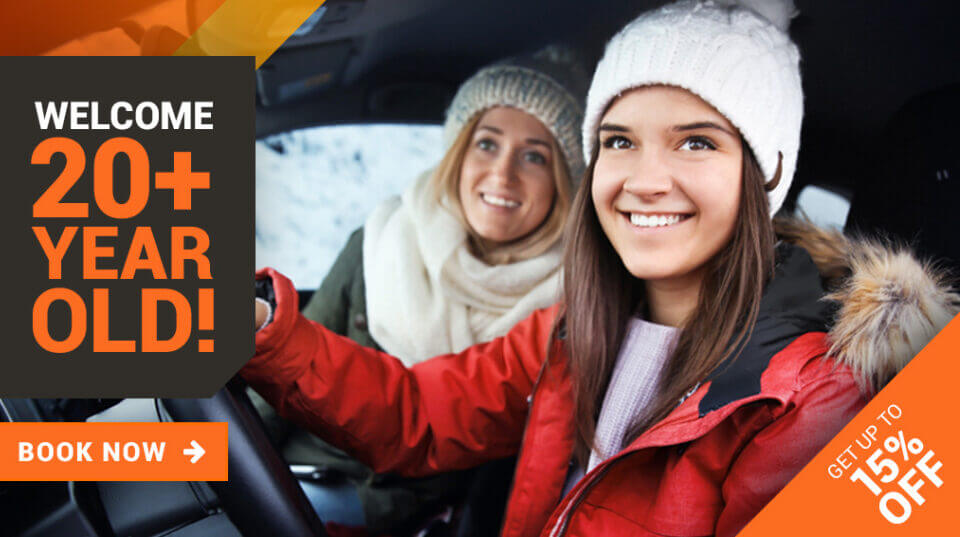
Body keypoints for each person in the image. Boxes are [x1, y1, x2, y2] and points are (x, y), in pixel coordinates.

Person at [246, 1, 959, 536]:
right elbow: (418, 415)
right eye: (619, 140)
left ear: (765, 172)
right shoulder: (575, 329)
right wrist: (261, 332)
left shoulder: (807, 402)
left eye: (697, 143)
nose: (645, 181)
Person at [255, 47, 590, 534]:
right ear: (458, 153)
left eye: (535, 156)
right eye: (487, 143)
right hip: (291, 480)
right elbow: (273, 396)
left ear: (566, 181)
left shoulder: (571, 312)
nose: (502, 173)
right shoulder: (383, 240)